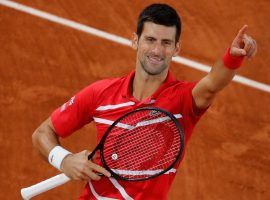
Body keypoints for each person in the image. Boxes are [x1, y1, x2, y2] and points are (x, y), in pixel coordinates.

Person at [32, 3, 257, 200]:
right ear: (135, 40)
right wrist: (64, 160)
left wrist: (233, 56)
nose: (157, 50)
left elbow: (213, 83)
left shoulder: (182, 101)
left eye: (166, 42)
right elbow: (43, 133)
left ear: (176, 49)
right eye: (150, 40)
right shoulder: (100, 93)